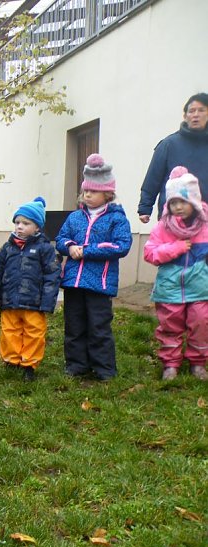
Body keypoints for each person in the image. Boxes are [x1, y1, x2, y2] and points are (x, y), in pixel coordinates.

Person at [56, 154, 132, 380]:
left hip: (99, 283)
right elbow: (61, 238)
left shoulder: (116, 218)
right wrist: (69, 247)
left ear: (107, 193)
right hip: (73, 282)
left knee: (99, 327)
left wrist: (86, 250)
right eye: (85, 191)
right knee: (74, 326)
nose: (87, 195)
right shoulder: (74, 217)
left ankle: (104, 368)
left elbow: (121, 245)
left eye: (93, 191)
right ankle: (76, 365)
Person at [143, 167, 208, 381]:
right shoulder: (163, 227)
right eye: (173, 202)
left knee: (201, 322)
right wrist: (175, 248)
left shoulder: (205, 226)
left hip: (199, 286)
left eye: (183, 201)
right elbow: (150, 253)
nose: (178, 207)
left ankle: (198, 363)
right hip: (170, 287)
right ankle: (170, 364)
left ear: (195, 201)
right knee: (170, 325)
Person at [0, 197, 60, 381]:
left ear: (37, 227)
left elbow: (52, 275)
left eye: (25, 223)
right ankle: (11, 360)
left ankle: (29, 364)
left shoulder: (45, 248)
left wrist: (48, 302)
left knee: (34, 332)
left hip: (34, 302)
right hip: (9, 300)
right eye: (17, 222)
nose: (19, 226)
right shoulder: (7, 248)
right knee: (9, 331)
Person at [138, 93, 208, 223]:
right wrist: (145, 207)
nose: (196, 115)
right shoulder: (168, 144)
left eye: (201, 110)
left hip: (204, 220)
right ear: (185, 116)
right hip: (172, 219)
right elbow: (153, 178)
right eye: (192, 111)